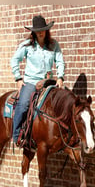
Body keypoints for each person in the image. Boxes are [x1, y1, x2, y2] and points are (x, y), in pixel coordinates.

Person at [11, 15, 65, 146]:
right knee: (23, 104)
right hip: (31, 82)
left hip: (49, 82)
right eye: (38, 30)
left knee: (65, 102)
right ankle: (17, 135)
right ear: (33, 32)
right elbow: (14, 60)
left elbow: (60, 61)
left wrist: (60, 77)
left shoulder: (53, 45)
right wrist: (18, 78)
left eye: (43, 29)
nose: (40, 32)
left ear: (47, 30)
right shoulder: (27, 45)